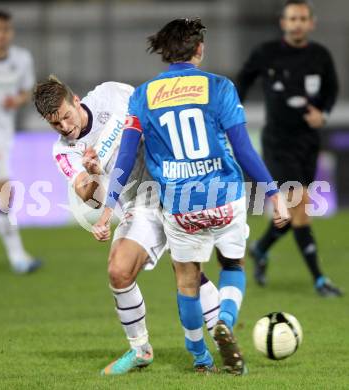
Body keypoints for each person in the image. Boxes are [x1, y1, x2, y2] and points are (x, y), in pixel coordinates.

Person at [94, 18, 290, 375]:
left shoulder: (142, 96)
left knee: (187, 280)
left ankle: (199, 355)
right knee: (232, 265)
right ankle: (226, 321)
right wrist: (273, 193)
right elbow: (245, 150)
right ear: (199, 49)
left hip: (181, 205)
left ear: (165, 54)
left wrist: (109, 206)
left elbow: (125, 156)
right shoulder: (220, 87)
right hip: (225, 196)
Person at [33, 75, 221, 375]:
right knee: (118, 271)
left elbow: (153, 116)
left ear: (76, 100)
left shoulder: (111, 94)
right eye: (56, 124)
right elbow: (91, 198)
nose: (66, 128)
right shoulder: (64, 152)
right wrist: (94, 174)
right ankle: (140, 350)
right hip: (138, 204)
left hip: (174, 182)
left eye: (67, 117)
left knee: (186, 268)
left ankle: (224, 344)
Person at [236, 0, 342, 296]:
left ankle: (260, 247)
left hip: (307, 142)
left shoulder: (320, 56)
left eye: (302, 18)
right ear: (283, 23)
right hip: (278, 142)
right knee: (300, 204)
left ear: (311, 23)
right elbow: (242, 81)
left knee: (291, 213)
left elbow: (332, 89)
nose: (297, 23)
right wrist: (233, 111)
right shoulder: (267, 53)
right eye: (292, 18)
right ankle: (320, 280)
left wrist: (324, 112)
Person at [0, 11, 40, 273]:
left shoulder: (22, 59)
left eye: (6, 29)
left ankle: (18, 257)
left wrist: (19, 99)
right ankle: (18, 258)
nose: (2, 34)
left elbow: (27, 90)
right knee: (6, 192)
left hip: (3, 135)